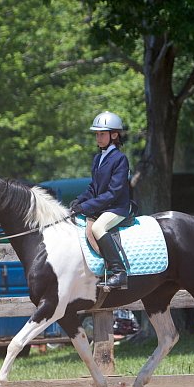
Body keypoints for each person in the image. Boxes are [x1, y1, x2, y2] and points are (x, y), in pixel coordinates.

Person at [70, 111, 131, 289]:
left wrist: (87, 206)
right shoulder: (98, 158)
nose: (98, 137)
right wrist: (78, 201)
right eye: (96, 134)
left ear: (114, 135)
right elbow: (94, 188)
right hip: (103, 207)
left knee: (97, 227)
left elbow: (113, 193)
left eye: (102, 134)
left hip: (117, 208)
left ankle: (119, 272)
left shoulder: (120, 159)